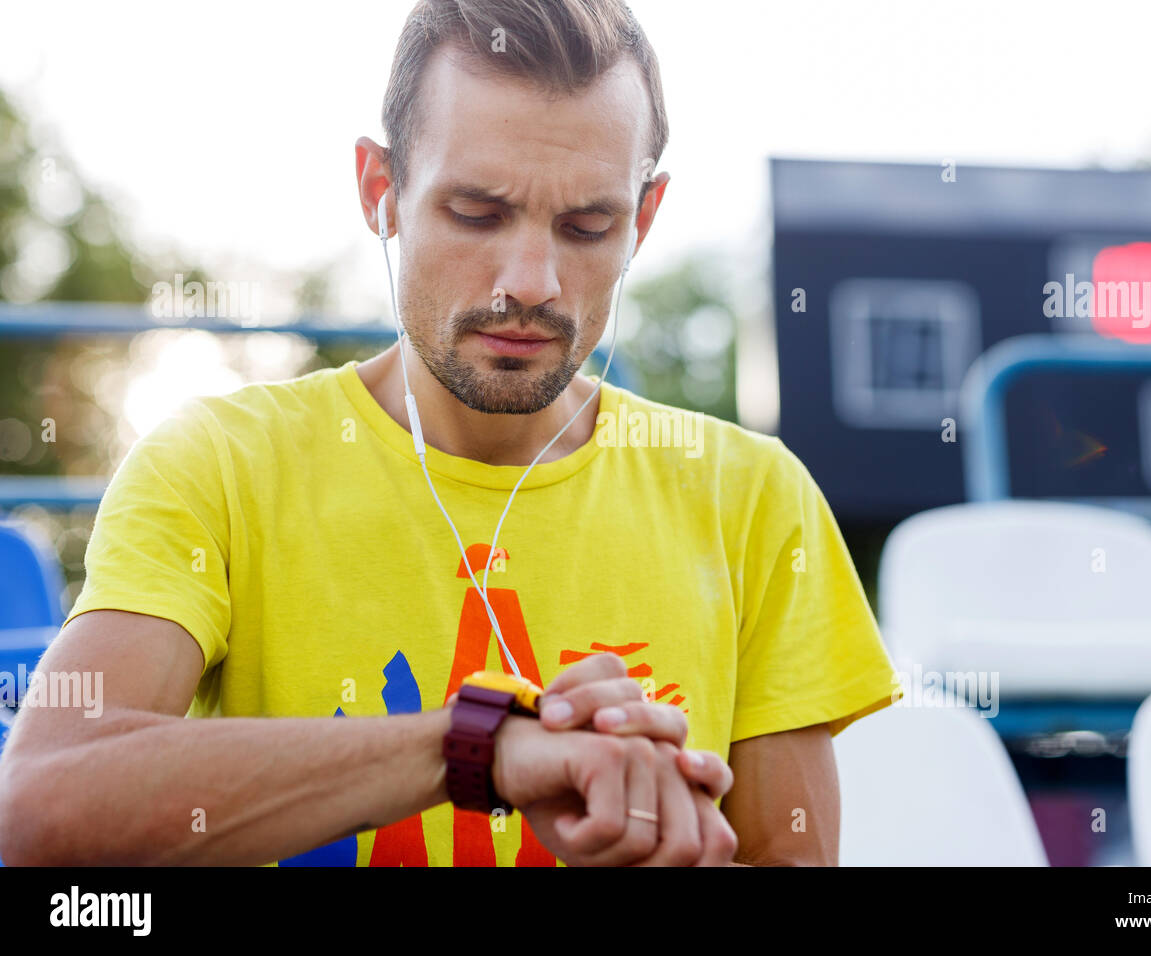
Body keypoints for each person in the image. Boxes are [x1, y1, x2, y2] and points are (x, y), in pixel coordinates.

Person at [0, 0, 900, 867]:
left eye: (589, 225)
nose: (532, 280)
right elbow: (43, 809)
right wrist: (484, 748)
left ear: (646, 219)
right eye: (477, 213)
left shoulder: (752, 497)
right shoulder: (222, 464)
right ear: (380, 190)